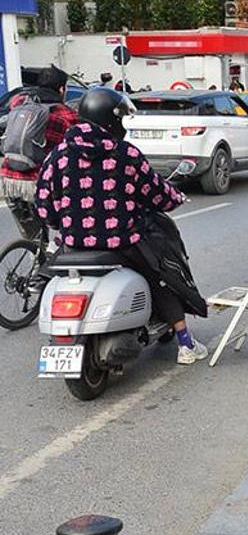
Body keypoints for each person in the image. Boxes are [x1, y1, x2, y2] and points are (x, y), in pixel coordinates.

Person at [34, 88, 208, 364]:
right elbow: (156, 193)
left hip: (73, 246)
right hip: (122, 243)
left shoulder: (59, 154)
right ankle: (186, 344)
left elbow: (43, 205)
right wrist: (175, 198)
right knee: (162, 276)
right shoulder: (125, 154)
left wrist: (63, 225)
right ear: (111, 119)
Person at [0, 65, 78, 242]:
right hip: (39, 184)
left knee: (34, 238)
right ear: (61, 89)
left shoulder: (19, 103)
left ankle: (35, 250)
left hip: (9, 179)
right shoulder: (65, 114)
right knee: (71, 218)